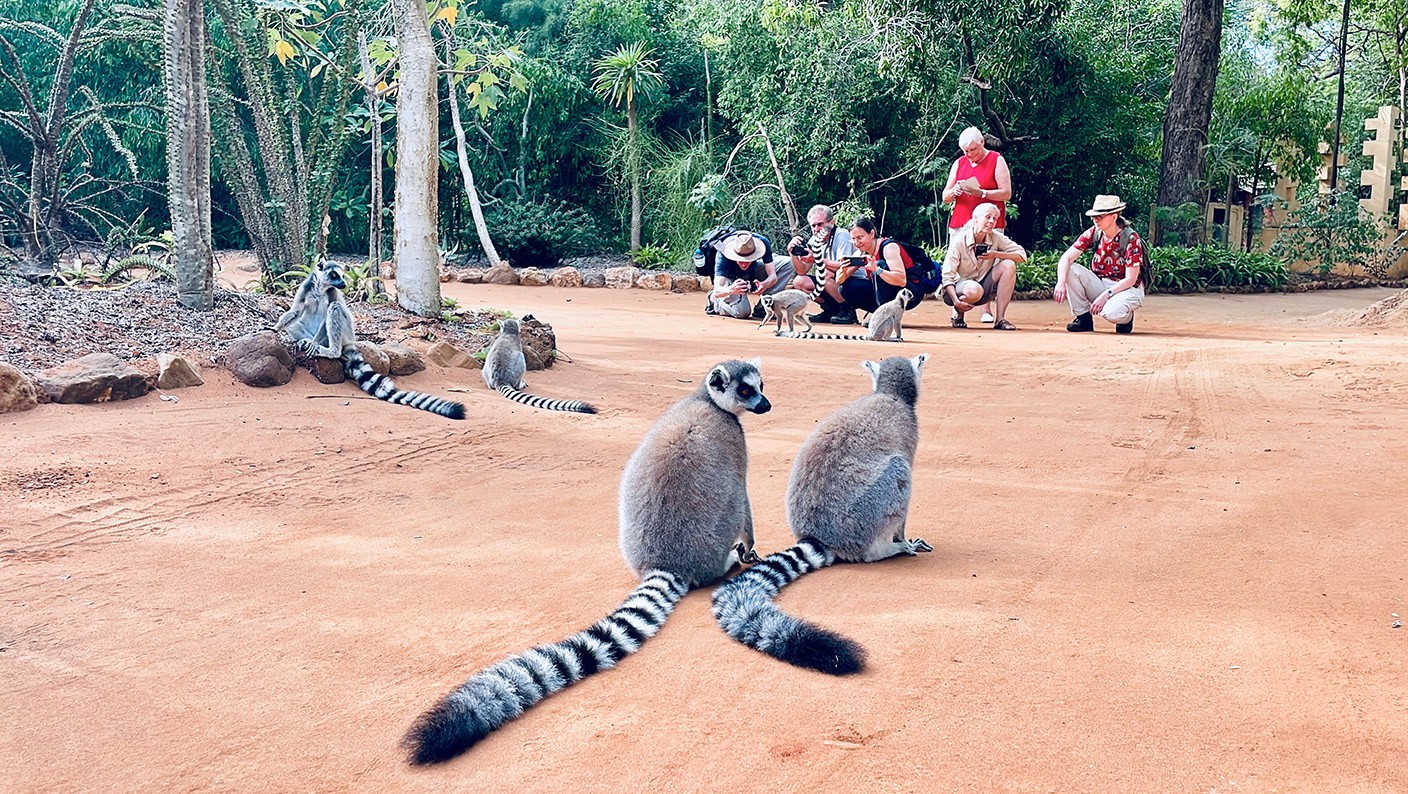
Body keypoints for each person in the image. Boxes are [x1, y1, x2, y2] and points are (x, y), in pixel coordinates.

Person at [941, 126, 1012, 324]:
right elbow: (945, 196)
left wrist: (982, 193)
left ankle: (986, 310)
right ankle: (958, 311)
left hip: (988, 224)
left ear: (982, 142)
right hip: (961, 223)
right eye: (966, 151)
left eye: (973, 149)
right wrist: (954, 191)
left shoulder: (996, 159)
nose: (969, 154)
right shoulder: (959, 163)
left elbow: (1006, 193)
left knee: (986, 264)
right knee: (958, 264)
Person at [1054, 195, 1146, 334]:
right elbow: (1066, 258)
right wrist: (1060, 283)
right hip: (1101, 283)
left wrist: (1106, 295)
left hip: (1127, 288)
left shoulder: (1130, 238)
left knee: (1111, 313)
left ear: (1114, 217)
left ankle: (1126, 317)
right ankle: (1083, 317)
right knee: (1070, 269)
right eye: (1094, 217)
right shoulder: (1094, 232)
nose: (1095, 220)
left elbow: (1130, 279)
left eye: (1100, 217)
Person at [941, 203, 1026, 330]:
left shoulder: (996, 237)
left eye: (994, 218)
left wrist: (996, 254)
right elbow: (947, 276)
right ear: (975, 218)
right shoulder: (959, 240)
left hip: (983, 287)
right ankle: (958, 315)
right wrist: (956, 302)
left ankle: (1000, 319)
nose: (991, 221)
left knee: (1009, 265)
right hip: (956, 291)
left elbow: (1022, 255)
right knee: (974, 289)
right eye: (988, 217)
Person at [785, 204, 860, 325]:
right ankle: (831, 309)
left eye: (820, 224)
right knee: (799, 281)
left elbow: (844, 265)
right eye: (813, 226)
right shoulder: (814, 241)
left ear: (831, 223)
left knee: (824, 273)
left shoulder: (842, 234)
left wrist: (816, 258)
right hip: (832, 282)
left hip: (853, 280)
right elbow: (802, 271)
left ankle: (848, 310)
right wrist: (792, 252)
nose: (816, 229)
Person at [836, 218, 928, 316]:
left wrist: (877, 270)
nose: (856, 243)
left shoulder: (888, 247)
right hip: (887, 292)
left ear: (872, 233)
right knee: (845, 288)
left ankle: (884, 316)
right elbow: (839, 280)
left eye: (860, 238)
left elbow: (902, 280)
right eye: (853, 239)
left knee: (879, 265)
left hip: (910, 291)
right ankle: (880, 313)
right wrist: (843, 270)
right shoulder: (861, 252)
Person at [709, 231, 797, 319]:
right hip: (731, 277)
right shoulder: (723, 251)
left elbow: (773, 276)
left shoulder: (763, 242)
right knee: (742, 312)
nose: (744, 264)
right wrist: (731, 289)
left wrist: (764, 284)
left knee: (788, 263)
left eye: (748, 259)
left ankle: (763, 307)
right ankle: (715, 303)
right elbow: (717, 290)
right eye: (740, 260)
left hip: (752, 270)